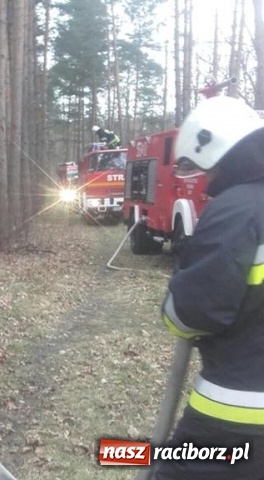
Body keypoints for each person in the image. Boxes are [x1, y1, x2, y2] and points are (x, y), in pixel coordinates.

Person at [156, 95, 264, 479]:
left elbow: (191, 313)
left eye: (209, 171)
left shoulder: (239, 209)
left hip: (238, 420)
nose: (208, 181)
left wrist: (174, 301)